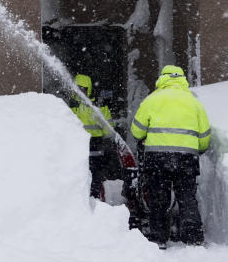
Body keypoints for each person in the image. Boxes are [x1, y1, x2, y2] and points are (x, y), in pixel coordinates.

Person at [130, 64, 211, 247]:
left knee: (158, 197)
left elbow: (136, 131)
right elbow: (205, 136)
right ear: (182, 78)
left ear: (163, 78)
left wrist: (146, 137)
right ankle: (192, 237)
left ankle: (159, 237)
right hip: (186, 158)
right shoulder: (194, 102)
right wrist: (198, 149)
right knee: (187, 197)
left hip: (157, 158)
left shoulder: (152, 100)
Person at [71, 73, 114, 199]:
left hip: (87, 145)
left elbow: (109, 129)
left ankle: (91, 198)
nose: (81, 91)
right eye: (79, 88)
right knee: (93, 174)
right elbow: (108, 130)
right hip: (92, 145)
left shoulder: (72, 106)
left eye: (82, 89)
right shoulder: (98, 107)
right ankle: (92, 197)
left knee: (87, 174)